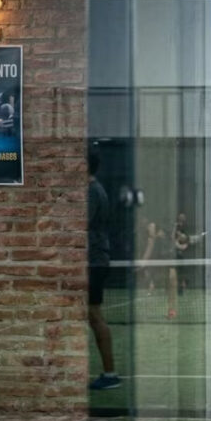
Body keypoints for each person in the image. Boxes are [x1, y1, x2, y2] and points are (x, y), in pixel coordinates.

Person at [87, 151, 120, 390]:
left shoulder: (92, 192)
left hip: (92, 262)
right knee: (92, 316)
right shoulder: (93, 190)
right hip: (92, 261)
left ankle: (110, 375)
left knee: (95, 316)